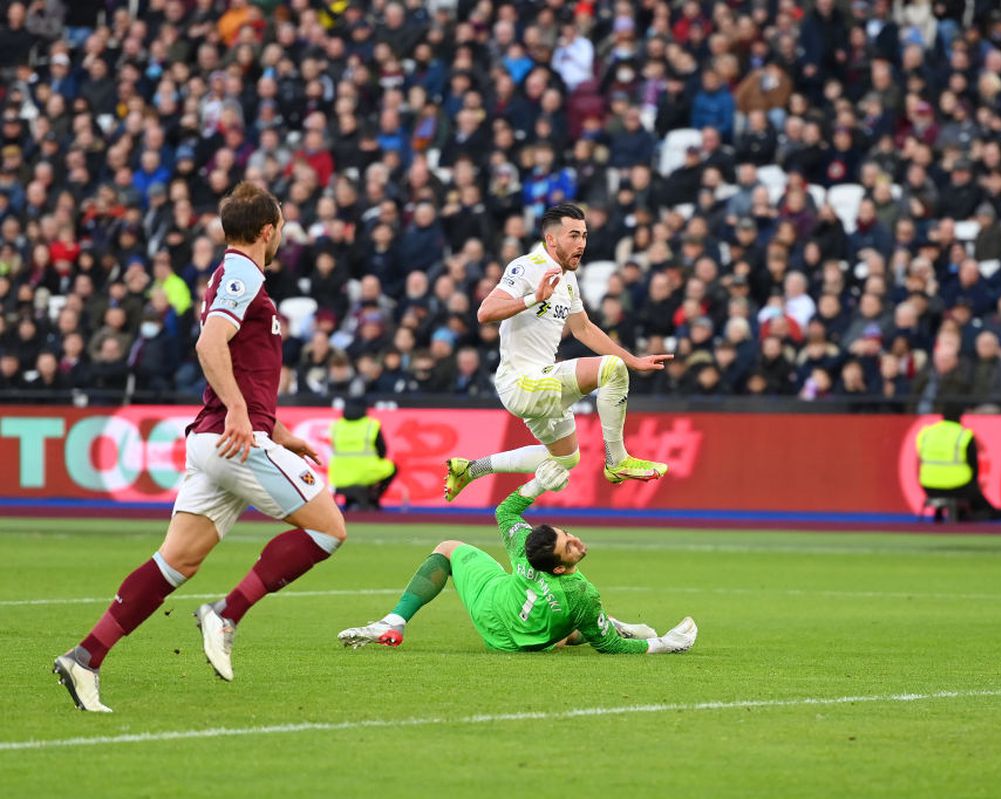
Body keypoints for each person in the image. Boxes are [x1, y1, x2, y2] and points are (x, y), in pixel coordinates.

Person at [53, 183, 348, 712]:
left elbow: (239, 366)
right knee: (329, 529)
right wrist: (241, 413)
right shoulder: (242, 272)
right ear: (267, 231)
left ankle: (85, 656)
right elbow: (209, 344)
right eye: (279, 225)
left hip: (225, 437)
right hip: (233, 438)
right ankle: (226, 613)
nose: (280, 234)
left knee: (177, 561)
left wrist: (275, 429)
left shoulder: (237, 275)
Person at [338, 462, 697, 654]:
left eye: (568, 534)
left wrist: (536, 485)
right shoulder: (580, 592)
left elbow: (506, 513)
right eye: (569, 545)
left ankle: (395, 620)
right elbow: (611, 648)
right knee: (575, 626)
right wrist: (664, 644)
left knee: (447, 549)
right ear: (560, 567)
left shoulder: (527, 549)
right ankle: (605, 622)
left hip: (494, 606)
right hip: (523, 639)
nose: (576, 541)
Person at [443, 203, 673, 501]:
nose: (581, 244)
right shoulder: (526, 266)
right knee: (611, 370)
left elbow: (584, 329)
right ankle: (617, 461)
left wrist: (634, 360)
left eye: (585, 236)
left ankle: (470, 469)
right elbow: (485, 313)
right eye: (574, 236)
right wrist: (531, 298)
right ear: (551, 240)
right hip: (521, 381)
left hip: (539, 381)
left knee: (566, 460)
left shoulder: (567, 278)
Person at [915, 401, 1001, 522]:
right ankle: (993, 514)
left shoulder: (926, 433)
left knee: (969, 488)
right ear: (960, 416)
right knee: (972, 489)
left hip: (928, 486)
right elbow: (973, 465)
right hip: (957, 487)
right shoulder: (963, 435)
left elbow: (921, 458)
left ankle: (962, 513)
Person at [327, 397, 397, 510]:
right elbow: (382, 451)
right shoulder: (371, 425)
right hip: (365, 474)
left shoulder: (336, 426)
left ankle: (353, 502)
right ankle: (373, 499)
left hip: (338, 476)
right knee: (392, 468)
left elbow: (333, 448)